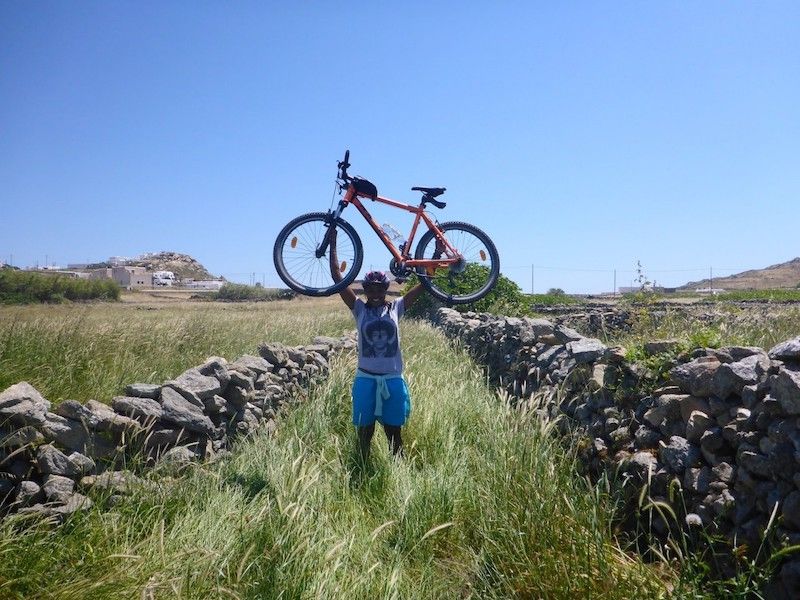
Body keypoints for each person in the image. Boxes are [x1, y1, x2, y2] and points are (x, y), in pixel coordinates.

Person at [328, 229, 430, 461]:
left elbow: (425, 283)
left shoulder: (396, 307)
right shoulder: (359, 309)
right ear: (364, 290)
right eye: (370, 289)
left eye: (380, 289)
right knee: (365, 433)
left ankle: (399, 471)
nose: (375, 293)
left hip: (392, 379)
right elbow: (337, 278)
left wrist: (435, 254)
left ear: (386, 290)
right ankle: (363, 467)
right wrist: (333, 242)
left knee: (394, 434)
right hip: (365, 379)